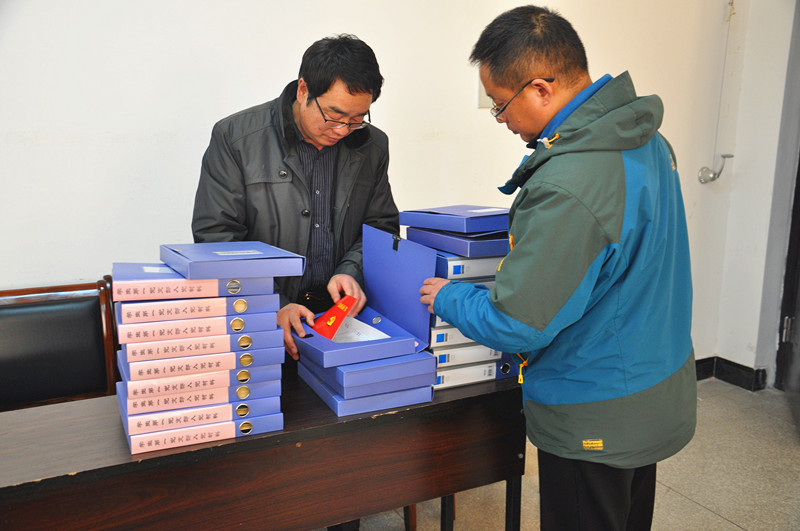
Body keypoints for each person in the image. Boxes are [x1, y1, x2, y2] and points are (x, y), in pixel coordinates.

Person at [419, 6, 696, 530]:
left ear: (541, 89)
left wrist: (449, 296)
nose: (501, 120)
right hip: (650, 386)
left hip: (593, 404)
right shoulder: (646, 141)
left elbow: (517, 322)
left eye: (500, 105)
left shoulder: (570, 183)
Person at [192, 34, 399, 362]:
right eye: (334, 115)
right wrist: (274, 304)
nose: (342, 130)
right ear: (304, 90)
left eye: (357, 118)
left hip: (337, 321)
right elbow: (216, 238)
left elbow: (380, 225)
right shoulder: (236, 139)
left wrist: (351, 271)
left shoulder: (372, 146)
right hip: (258, 320)